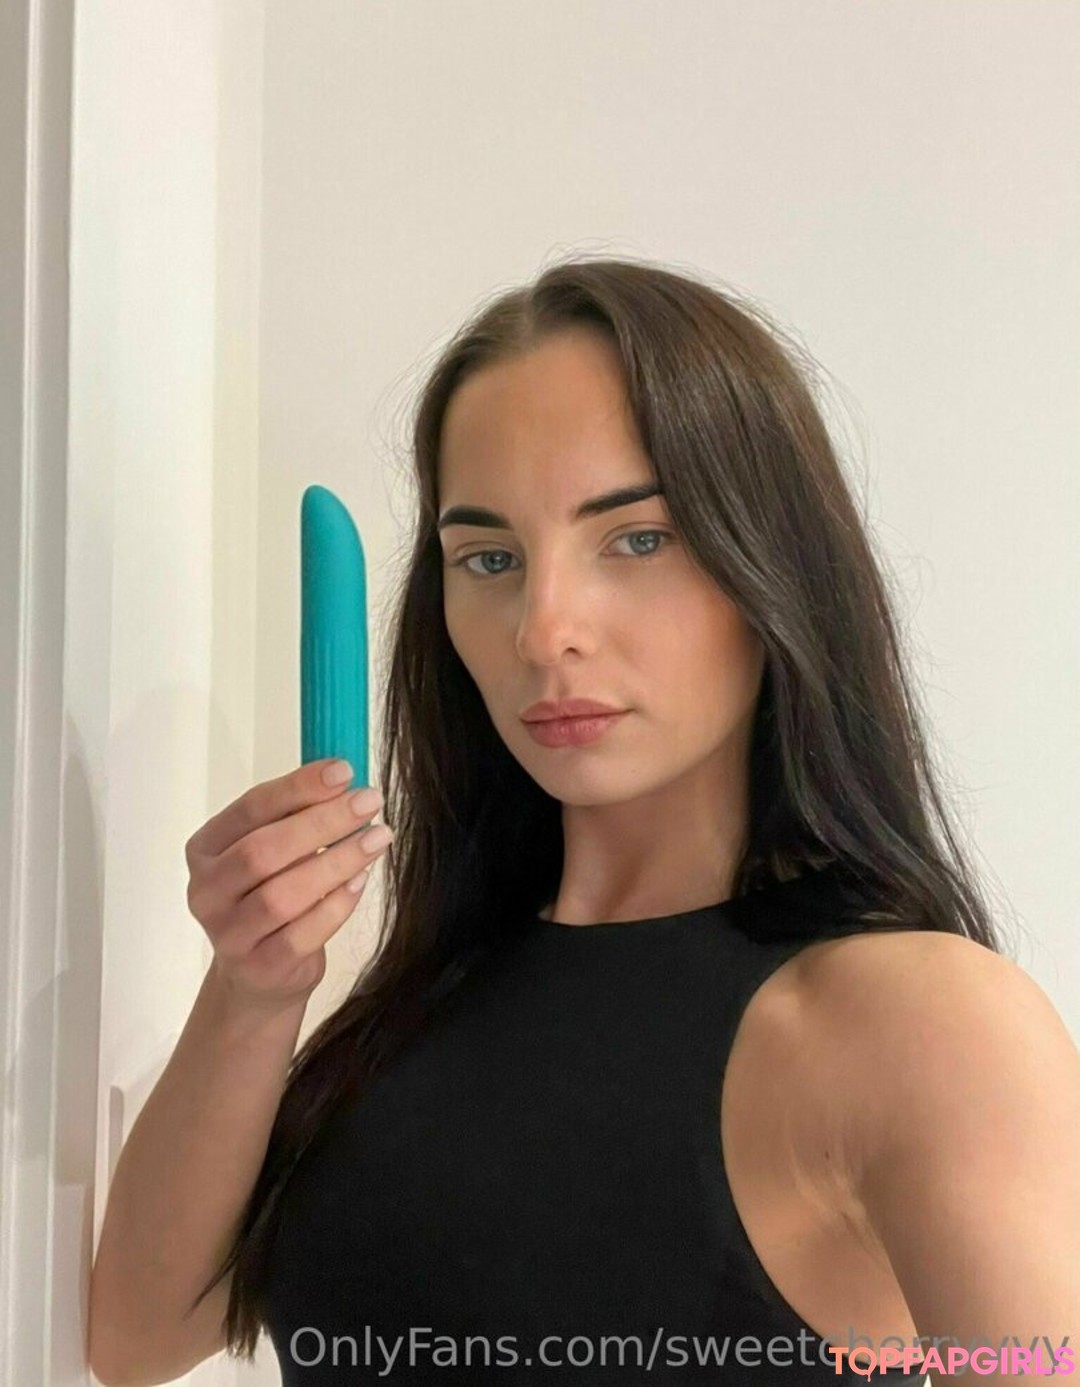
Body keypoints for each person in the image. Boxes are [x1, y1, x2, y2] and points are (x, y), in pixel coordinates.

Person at [88, 258, 1079, 1386]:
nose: (542, 627)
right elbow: (135, 1337)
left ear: (772, 564)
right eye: (490, 559)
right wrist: (255, 989)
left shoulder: (923, 1023)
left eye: (637, 538)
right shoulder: (418, 1004)